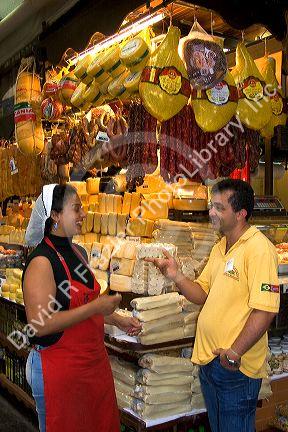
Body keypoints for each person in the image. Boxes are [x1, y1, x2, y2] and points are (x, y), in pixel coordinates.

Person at [147, 179, 279, 432]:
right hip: (211, 362)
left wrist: (234, 353)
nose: (211, 212)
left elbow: (266, 310)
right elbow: (201, 293)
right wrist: (176, 276)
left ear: (240, 214)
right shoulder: (221, 247)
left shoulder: (259, 249)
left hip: (235, 368)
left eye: (219, 208)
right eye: (211, 206)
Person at [23, 184, 141, 432]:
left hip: (91, 365)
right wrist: (97, 306)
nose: (84, 214)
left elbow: (77, 305)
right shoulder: (42, 262)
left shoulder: (78, 253)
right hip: (58, 370)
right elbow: (40, 324)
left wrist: (116, 319)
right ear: (55, 215)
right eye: (76, 209)